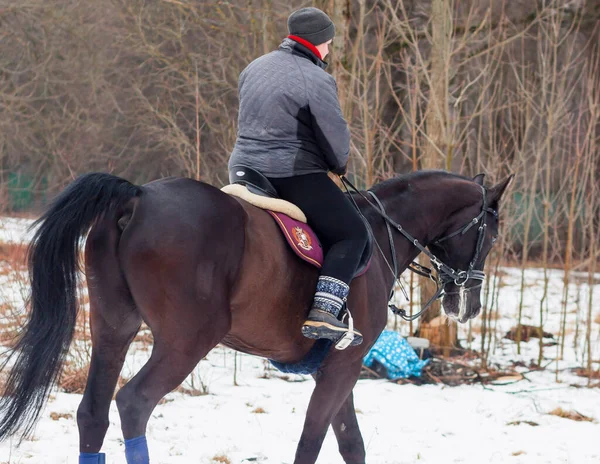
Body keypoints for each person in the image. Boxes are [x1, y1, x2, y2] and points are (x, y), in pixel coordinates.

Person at [229, 7, 368, 346]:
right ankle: (324, 310)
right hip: (289, 174)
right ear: (319, 42)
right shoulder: (315, 77)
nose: (329, 51)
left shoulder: (254, 67)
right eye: (329, 43)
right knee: (352, 233)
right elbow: (333, 133)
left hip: (243, 169)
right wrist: (338, 164)